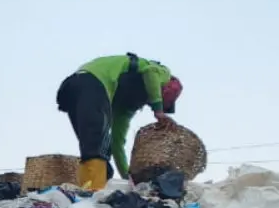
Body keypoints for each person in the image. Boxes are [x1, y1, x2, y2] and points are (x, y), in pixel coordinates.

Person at [55, 53, 183, 191]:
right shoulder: (162, 72)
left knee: (94, 146)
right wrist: (158, 111)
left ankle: (86, 189)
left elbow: (117, 144)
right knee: (97, 145)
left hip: (72, 89)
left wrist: (129, 179)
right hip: (93, 80)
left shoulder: (126, 108)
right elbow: (150, 73)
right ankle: (93, 190)